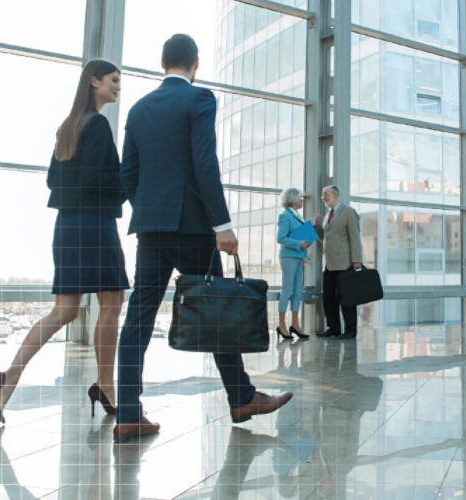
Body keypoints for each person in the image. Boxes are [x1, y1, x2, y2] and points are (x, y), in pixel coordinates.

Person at [113, 34, 292, 442]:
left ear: (162, 62)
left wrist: (152, 209)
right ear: (195, 62)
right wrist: (221, 224)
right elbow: (204, 162)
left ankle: (127, 413)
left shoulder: (139, 109)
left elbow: (128, 175)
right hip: (194, 227)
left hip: (152, 228)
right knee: (216, 311)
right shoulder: (199, 100)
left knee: (138, 319)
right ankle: (242, 396)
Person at [0, 60, 128, 423]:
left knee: (64, 310)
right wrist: (126, 183)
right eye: (114, 81)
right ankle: (105, 384)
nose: (118, 87)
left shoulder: (67, 127)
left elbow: (54, 182)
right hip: (95, 226)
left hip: (67, 226)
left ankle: (8, 380)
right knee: (112, 302)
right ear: (94, 81)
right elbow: (96, 181)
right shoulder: (98, 125)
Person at [313, 186, 363, 340]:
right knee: (329, 299)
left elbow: (355, 237)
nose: (323, 198)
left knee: (347, 298)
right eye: (322, 196)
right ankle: (333, 328)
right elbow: (324, 239)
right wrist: (317, 225)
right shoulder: (328, 214)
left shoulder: (348, 212)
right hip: (328, 263)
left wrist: (357, 260)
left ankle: (350, 330)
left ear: (335, 194)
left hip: (344, 263)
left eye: (325, 195)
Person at [276, 187, 311, 340]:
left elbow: (298, 237)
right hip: (288, 257)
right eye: (300, 198)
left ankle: (295, 324)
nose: (302, 200)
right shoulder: (285, 216)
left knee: (298, 290)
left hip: (298, 256)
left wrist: (305, 242)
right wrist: (299, 244)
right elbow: (281, 238)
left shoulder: (298, 216)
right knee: (287, 290)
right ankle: (281, 325)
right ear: (293, 199)